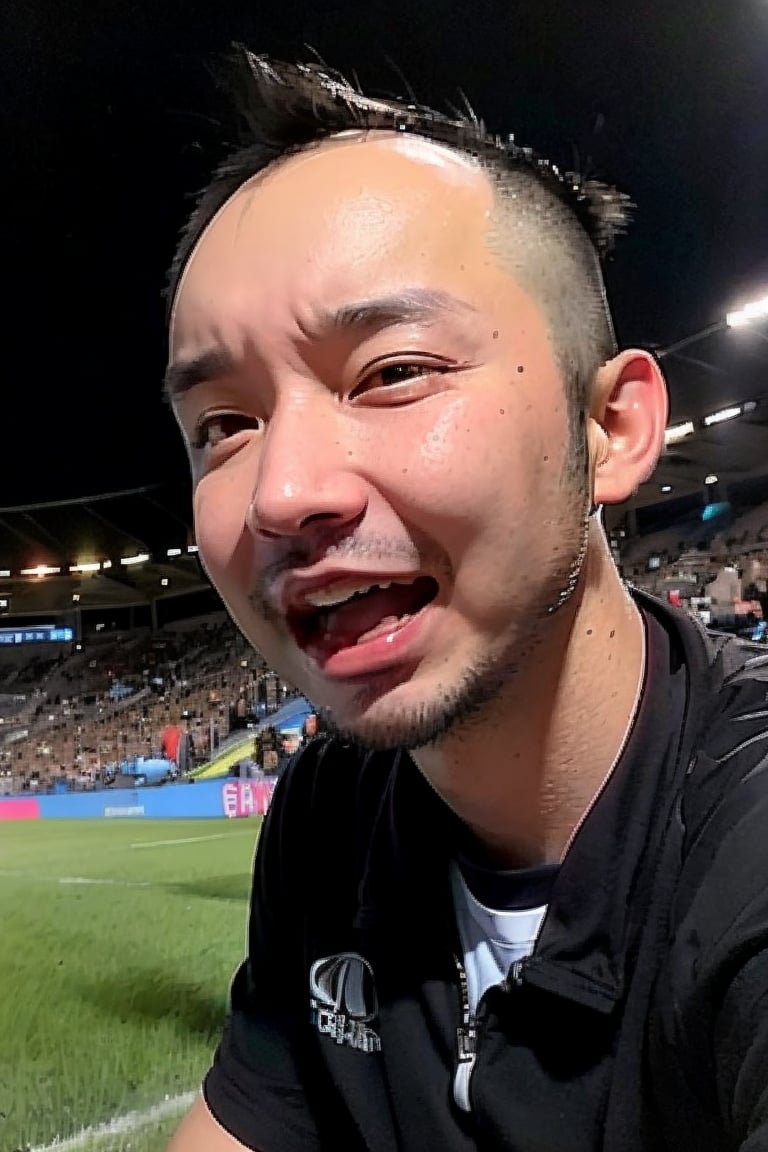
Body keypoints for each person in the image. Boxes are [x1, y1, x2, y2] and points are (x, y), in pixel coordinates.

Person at [164, 47, 768, 1152]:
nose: (283, 492)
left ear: (612, 429)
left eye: (391, 372)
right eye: (224, 425)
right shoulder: (331, 814)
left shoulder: (746, 847)